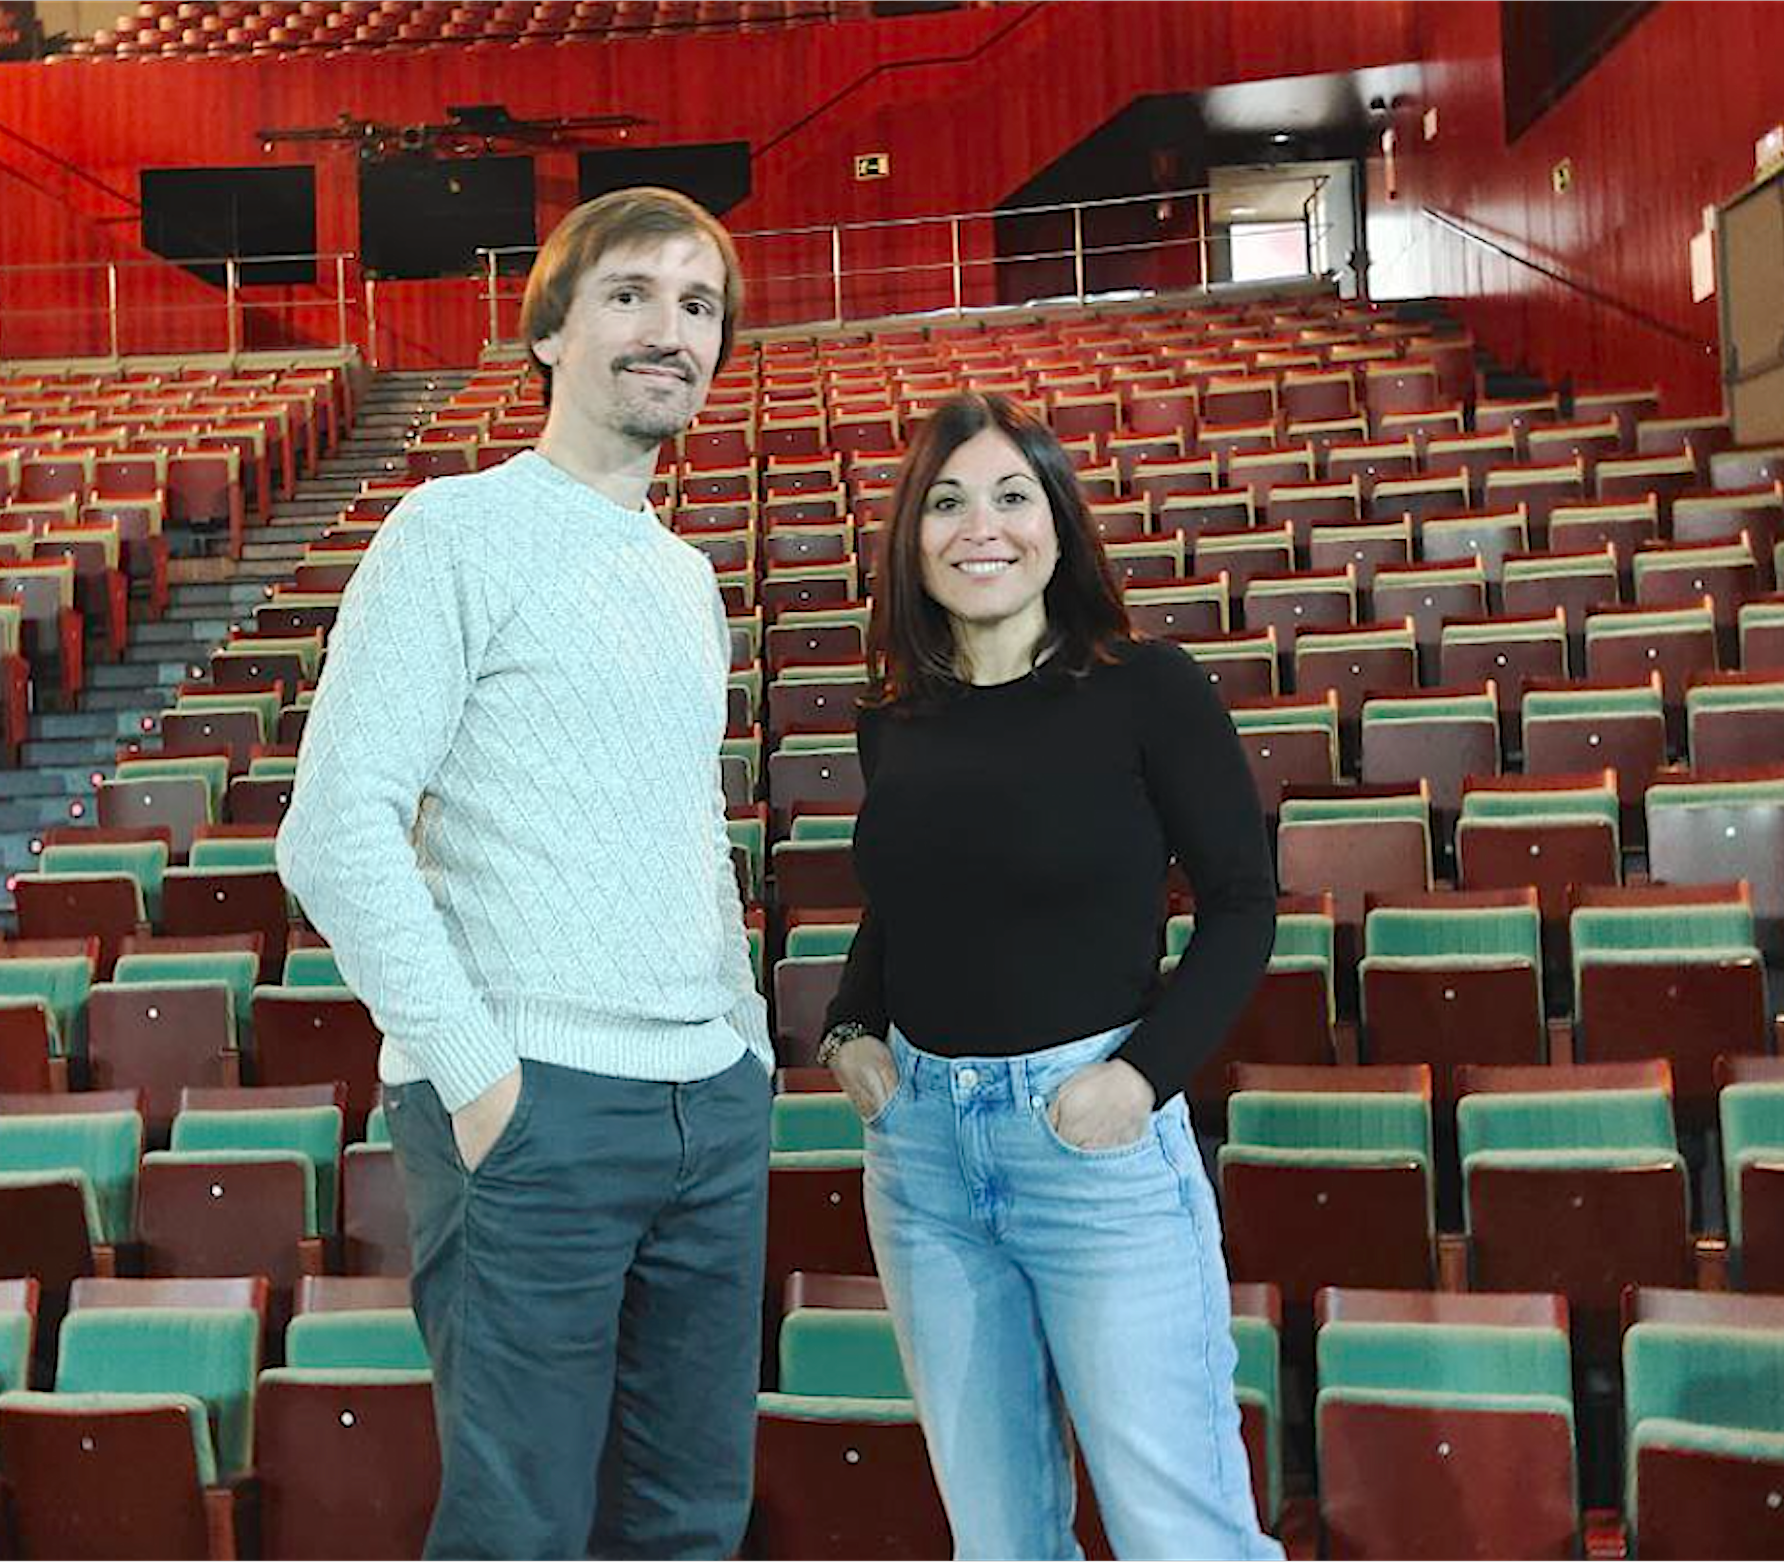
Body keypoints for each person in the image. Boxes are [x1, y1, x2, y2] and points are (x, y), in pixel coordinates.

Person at [275, 186, 774, 1560]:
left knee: (689, 1521)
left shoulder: (685, 576)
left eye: (698, 304)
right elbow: (332, 828)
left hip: (708, 1106)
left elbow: (690, 828)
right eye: (630, 294)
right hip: (534, 1104)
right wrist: (478, 1077)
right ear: (548, 331)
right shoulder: (451, 529)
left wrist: (742, 1039)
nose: (669, 329)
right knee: (521, 1531)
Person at [816, 390, 1283, 1561]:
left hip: (1092, 1143)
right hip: (922, 1156)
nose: (981, 527)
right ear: (911, 539)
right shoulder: (895, 715)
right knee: (999, 1539)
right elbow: (908, 900)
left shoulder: (1147, 687)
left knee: (1178, 1533)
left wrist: (1141, 1077)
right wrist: (848, 1025)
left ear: (1059, 522)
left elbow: (1240, 904)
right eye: (946, 501)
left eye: (1011, 496)